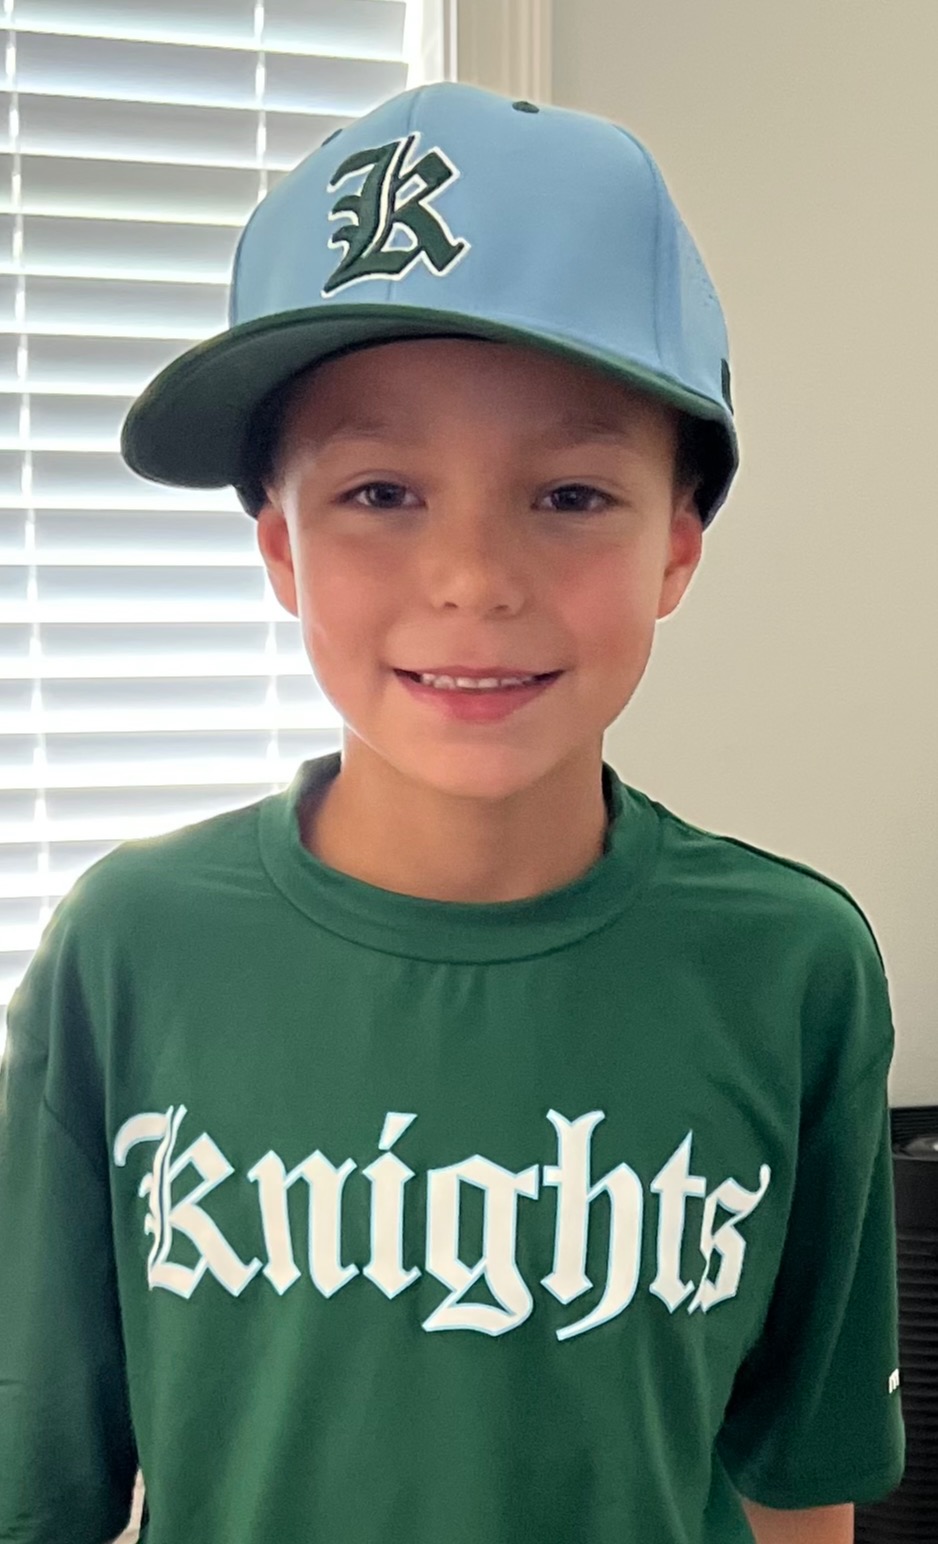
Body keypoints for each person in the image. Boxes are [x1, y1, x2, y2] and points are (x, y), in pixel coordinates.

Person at [0, 80, 904, 1544]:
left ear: (677, 545)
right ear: (280, 547)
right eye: (379, 491)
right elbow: (41, 1481)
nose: (473, 579)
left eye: (569, 496)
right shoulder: (132, 947)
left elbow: (800, 1474)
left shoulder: (790, 965)